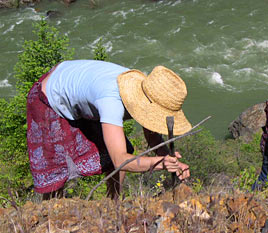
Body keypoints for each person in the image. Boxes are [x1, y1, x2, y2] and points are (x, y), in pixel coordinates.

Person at [26, 60, 191, 200]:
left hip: (79, 88)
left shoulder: (147, 90)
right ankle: (50, 215)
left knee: (122, 149)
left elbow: (152, 138)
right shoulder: (111, 101)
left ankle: (113, 204)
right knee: (55, 170)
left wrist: (169, 160)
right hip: (50, 96)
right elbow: (120, 160)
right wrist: (162, 164)